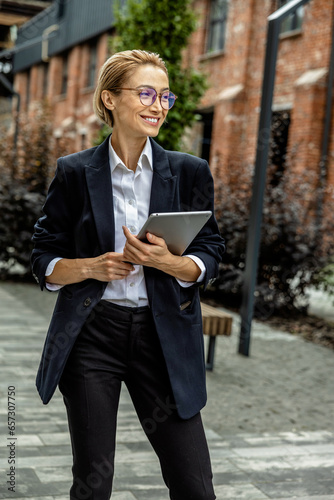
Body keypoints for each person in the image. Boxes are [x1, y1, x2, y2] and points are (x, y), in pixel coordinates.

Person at [31, 49, 225, 500]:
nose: (158, 105)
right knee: (93, 483)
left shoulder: (190, 171)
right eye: (145, 93)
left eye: (165, 96)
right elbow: (42, 256)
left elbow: (211, 249)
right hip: (93, 337)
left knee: (195, 486)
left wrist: (169, 263)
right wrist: (92, 267)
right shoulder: (75, 172)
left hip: (164, 339)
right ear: (110, 99)